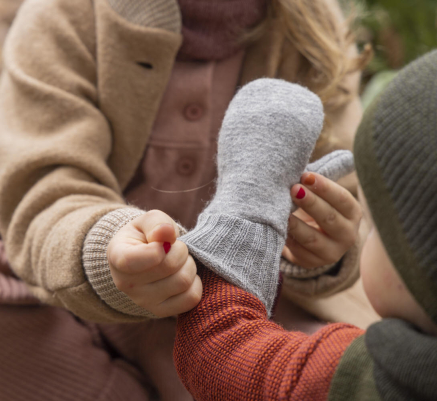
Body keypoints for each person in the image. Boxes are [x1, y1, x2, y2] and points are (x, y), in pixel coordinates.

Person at [0, 0, 370, 400]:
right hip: (76, 299)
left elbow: (346, 195)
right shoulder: (65, 14)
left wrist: (323, 252)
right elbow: (46, 185)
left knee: (359, 365)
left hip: (250, 312)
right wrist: (108, 251)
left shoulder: (311, 25)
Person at [173, 49, 437, 400]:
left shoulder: (384, 380)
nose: (366, 235)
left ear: (420, 268)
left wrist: (244, 216)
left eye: (377, 228)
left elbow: (218, 352)